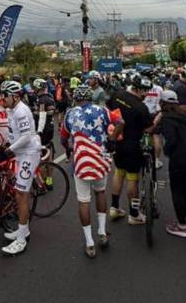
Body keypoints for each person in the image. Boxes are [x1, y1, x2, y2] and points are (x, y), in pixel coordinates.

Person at [61, 85, 116, 258]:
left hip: (81, 162)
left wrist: (69, 150)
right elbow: (119, 123)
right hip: (100, 159)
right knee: (100, 193)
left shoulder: (70, 114)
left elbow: (63, 138)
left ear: (76, 98)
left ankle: (89, 243)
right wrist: (112, 141)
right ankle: (102, 232)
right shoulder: (103, 110)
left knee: (83, 201)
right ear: (91, 97)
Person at [0, 80, 42, 256]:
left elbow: (25, 136)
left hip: (28, 153)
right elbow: (13, 134)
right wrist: (5, 145)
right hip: (21, 153)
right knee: (19, 193)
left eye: (5, 95)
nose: (2, 98)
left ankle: (22, 239)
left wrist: (9, 150)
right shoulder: (11, 110)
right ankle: (23, 230)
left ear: (15, 96)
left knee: (20, 194)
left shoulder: (21, 111)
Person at [107, 78, 153, 224]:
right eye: (144, 92)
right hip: (133, 145)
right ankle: (134, 214)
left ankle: (114, 208)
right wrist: (158, 119)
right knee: (132, 179)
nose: (146, 95)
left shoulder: (118, 94)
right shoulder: (141, 107)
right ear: (138, 89)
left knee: (119, 173)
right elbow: (149, 129)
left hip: (117, 141)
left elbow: (110, 111)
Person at [157, 90, 186, 238]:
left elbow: (171, 140)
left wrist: (167, 151)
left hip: (180, 157)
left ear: (163, 103)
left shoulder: (167, 119)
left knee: (177, 189)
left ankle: (181, 225)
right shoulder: (185, 114)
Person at [142, 75, 165, 169]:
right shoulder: (159, 89)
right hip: (155, 114)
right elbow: (162, 101)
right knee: (156, 136)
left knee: (141, 134)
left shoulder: (141, 88)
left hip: (143, 113)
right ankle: (156, 160)